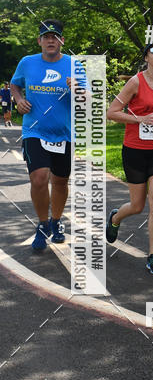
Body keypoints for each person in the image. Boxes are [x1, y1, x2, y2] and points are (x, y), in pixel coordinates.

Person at [10, 20, 84, 252]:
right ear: (39, 41)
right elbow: (14, 85)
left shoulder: (74, 65)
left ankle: (56, 221)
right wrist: (19, 100)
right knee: (39, 179)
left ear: (62, 41)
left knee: (60, 181)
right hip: (35, 130)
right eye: (46, 36)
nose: (51, 40)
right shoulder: (27, 63)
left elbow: (88, 100)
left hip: (64, 133)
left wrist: (79, 90)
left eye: (56, 36)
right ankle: (42, 225)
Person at [105, 41, 153, 275]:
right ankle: (115, 218)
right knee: (137, 206)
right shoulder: (135, 82)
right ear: (146, 57)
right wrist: (140, 119)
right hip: (134, 149)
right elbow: (112, 112)